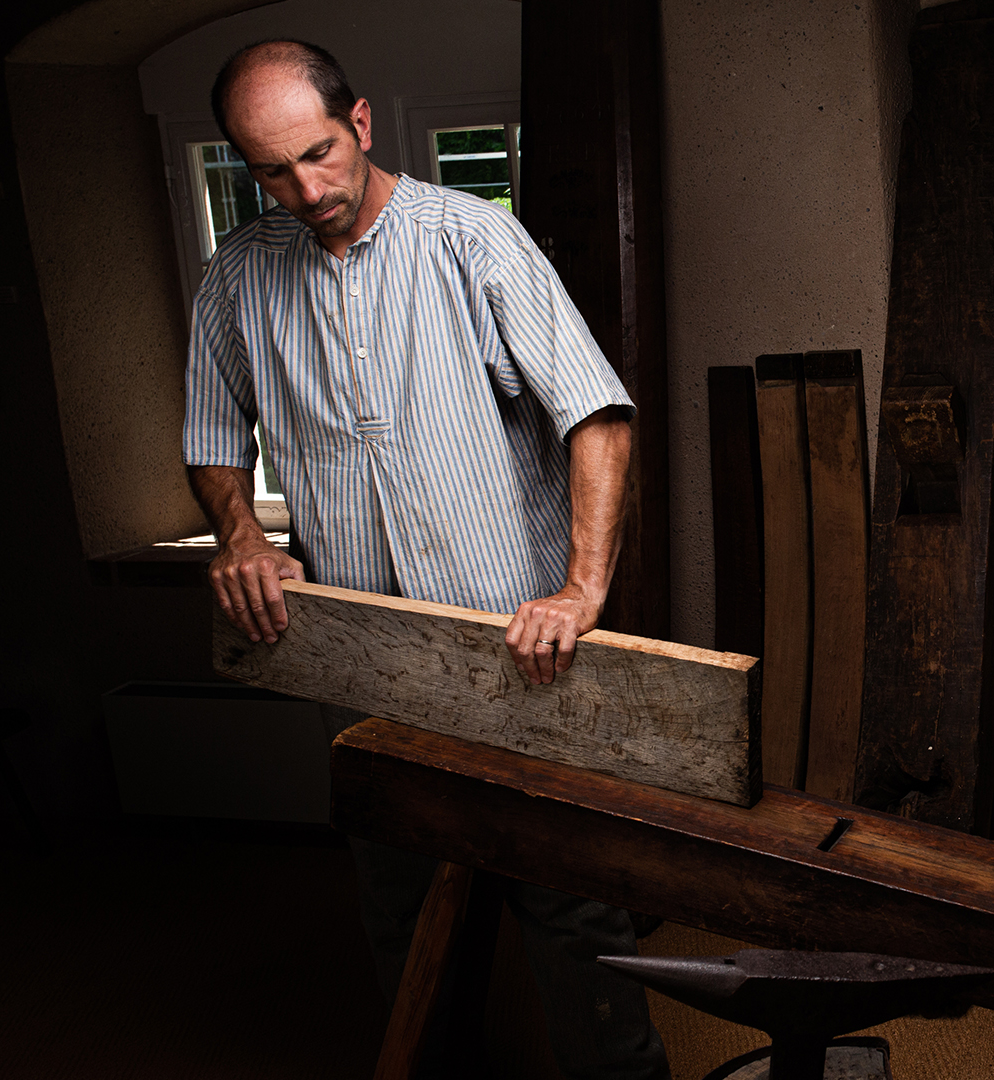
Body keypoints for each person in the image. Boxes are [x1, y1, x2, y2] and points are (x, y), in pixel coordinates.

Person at [182, 39, 668, 1079]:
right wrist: (240, 536)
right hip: (363, 663)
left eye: (318, 153)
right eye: (272, 170)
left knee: (573, 907)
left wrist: (581, 590)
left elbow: (598, 415)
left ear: (360, 122)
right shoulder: (236, 279)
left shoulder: (473, 239)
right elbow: (213, 439)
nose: (305, 189)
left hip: (521, 652)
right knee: (399, 902)